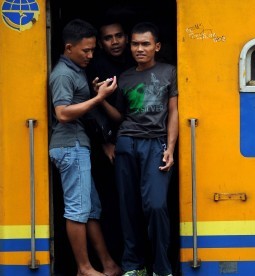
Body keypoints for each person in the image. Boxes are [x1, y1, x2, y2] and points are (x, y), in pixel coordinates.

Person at [102, 22, 178, 276]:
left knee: (156, 206)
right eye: (135, 44)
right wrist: (100, 99)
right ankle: (134, 266)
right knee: (128, 207)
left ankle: (162, 268)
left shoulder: (170, 72)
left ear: (157, 46)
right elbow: (120, 116)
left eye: (145, 44)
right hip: (127, 143)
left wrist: (171, 147)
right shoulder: (124, 77)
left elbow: (174, 112)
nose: (139, 48)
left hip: (156, 143)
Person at [48, 18, 122, 276]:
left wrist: (93, 93)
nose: (91, 55)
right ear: (69, 48)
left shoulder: (77, 69)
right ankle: (84, 268)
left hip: (80, 145)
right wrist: (99, 98)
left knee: (90, 208)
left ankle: (108, 264)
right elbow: (63, 113)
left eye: (92, 50)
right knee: (78, 209)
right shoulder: (63, 74)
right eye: (85, 50)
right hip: (69, 146)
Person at [84, 18, 136, 265]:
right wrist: (105, 142)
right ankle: (114, 257)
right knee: (110, 203)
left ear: (127, 38)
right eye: (108, 38)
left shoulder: (133, 62)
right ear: (101, 44)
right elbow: (92, 110)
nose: (114, 42)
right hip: (105, 145)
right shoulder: (96, 67)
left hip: (131, 140)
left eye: (118, 36)